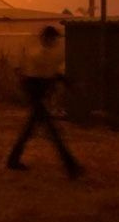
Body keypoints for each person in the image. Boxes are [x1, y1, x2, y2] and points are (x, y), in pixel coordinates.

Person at [7, 25, 83, 179]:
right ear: (46, 39)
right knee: (53, 132)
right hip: (36, 94)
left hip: (38, 95)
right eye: (52, 39)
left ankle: (13, 160)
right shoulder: (38, 55)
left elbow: (53, 74)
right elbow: (36, 78)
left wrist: (68, 84)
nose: (54, 42)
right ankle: (71, 166)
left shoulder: (47, 53)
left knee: (29, 130)